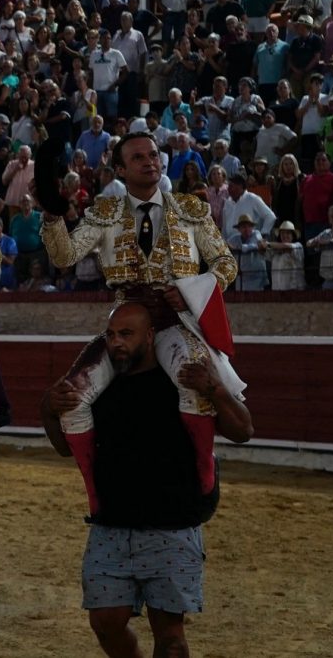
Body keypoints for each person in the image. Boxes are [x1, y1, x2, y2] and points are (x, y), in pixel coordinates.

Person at [39, 132, 241, 517]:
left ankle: (204, 474)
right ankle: (96, 496)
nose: (150, 161)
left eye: (153, 155)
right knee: (73, 397)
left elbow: (225, 263)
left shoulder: (191, 209)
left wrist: (193, 291)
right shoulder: (103, 212)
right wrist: (51, 215)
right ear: (120, 169)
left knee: (193, 379)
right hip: (125, 328)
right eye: (138, 157)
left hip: (175, 323)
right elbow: (65, 255)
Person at [42, 302, 253, 658]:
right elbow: (65, 448)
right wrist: (47, 410)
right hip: (112, 525)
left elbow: (244, 430)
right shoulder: (100, 390)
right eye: (110, 335)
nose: (116, 343)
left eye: (126, 334)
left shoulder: (182, 383)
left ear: (151, 336)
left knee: (170, 638)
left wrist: (216, 389)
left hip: (172, 526)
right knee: (106, 622)